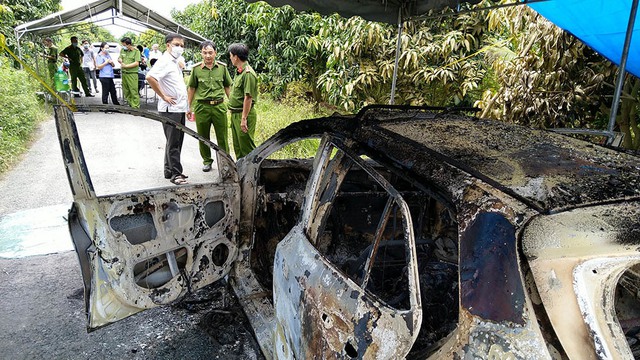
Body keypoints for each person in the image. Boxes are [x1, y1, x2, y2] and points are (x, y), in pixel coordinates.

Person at [146, 33, 189, 185]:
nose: (180, 48)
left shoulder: (174, 61)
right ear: (168, 45)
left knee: (174, 140)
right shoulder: (164, 61)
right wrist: (163, 96)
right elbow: (150, 77)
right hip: (170, 109)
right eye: (177, 45)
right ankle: (176, 174)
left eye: (182, 46)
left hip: (178, 108)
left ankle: (169, 170)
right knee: (174, 142)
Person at [187, 40, 232, 171]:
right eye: (205, 53)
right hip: (202, 107)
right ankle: (207, 160)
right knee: (203, 136)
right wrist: (188, 107)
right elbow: (191, 88)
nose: (207, 56)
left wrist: (233, 104)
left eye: (210, 53)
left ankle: (225, 161)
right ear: (201, 53)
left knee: (222, 136)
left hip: (219, 106)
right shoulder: (196, 70)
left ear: (215, 53)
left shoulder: (222, 68)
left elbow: (227, 87)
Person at [227, 43, 258, 159]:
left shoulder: (248, 74)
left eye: (231, 56)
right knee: (238, 146)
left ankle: (253, 173)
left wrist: (244, 118)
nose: (230, 58)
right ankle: (241, 172)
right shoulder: (239, 71)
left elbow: (248, 97)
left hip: (243, 114)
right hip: (235, 114)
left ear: (235, 57)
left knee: (246, 147)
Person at [118, 37, 140, 108]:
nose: (123, 46)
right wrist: (120, 59)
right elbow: (119, 57)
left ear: (129, 44)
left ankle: (136, 107)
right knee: (126, 91)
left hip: (132, 74)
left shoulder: (136, 51)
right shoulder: (122, 50)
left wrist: (126, 66)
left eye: (124, 45)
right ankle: (131, 105)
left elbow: (137, 63)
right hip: (124, 73)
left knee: (133, 91)